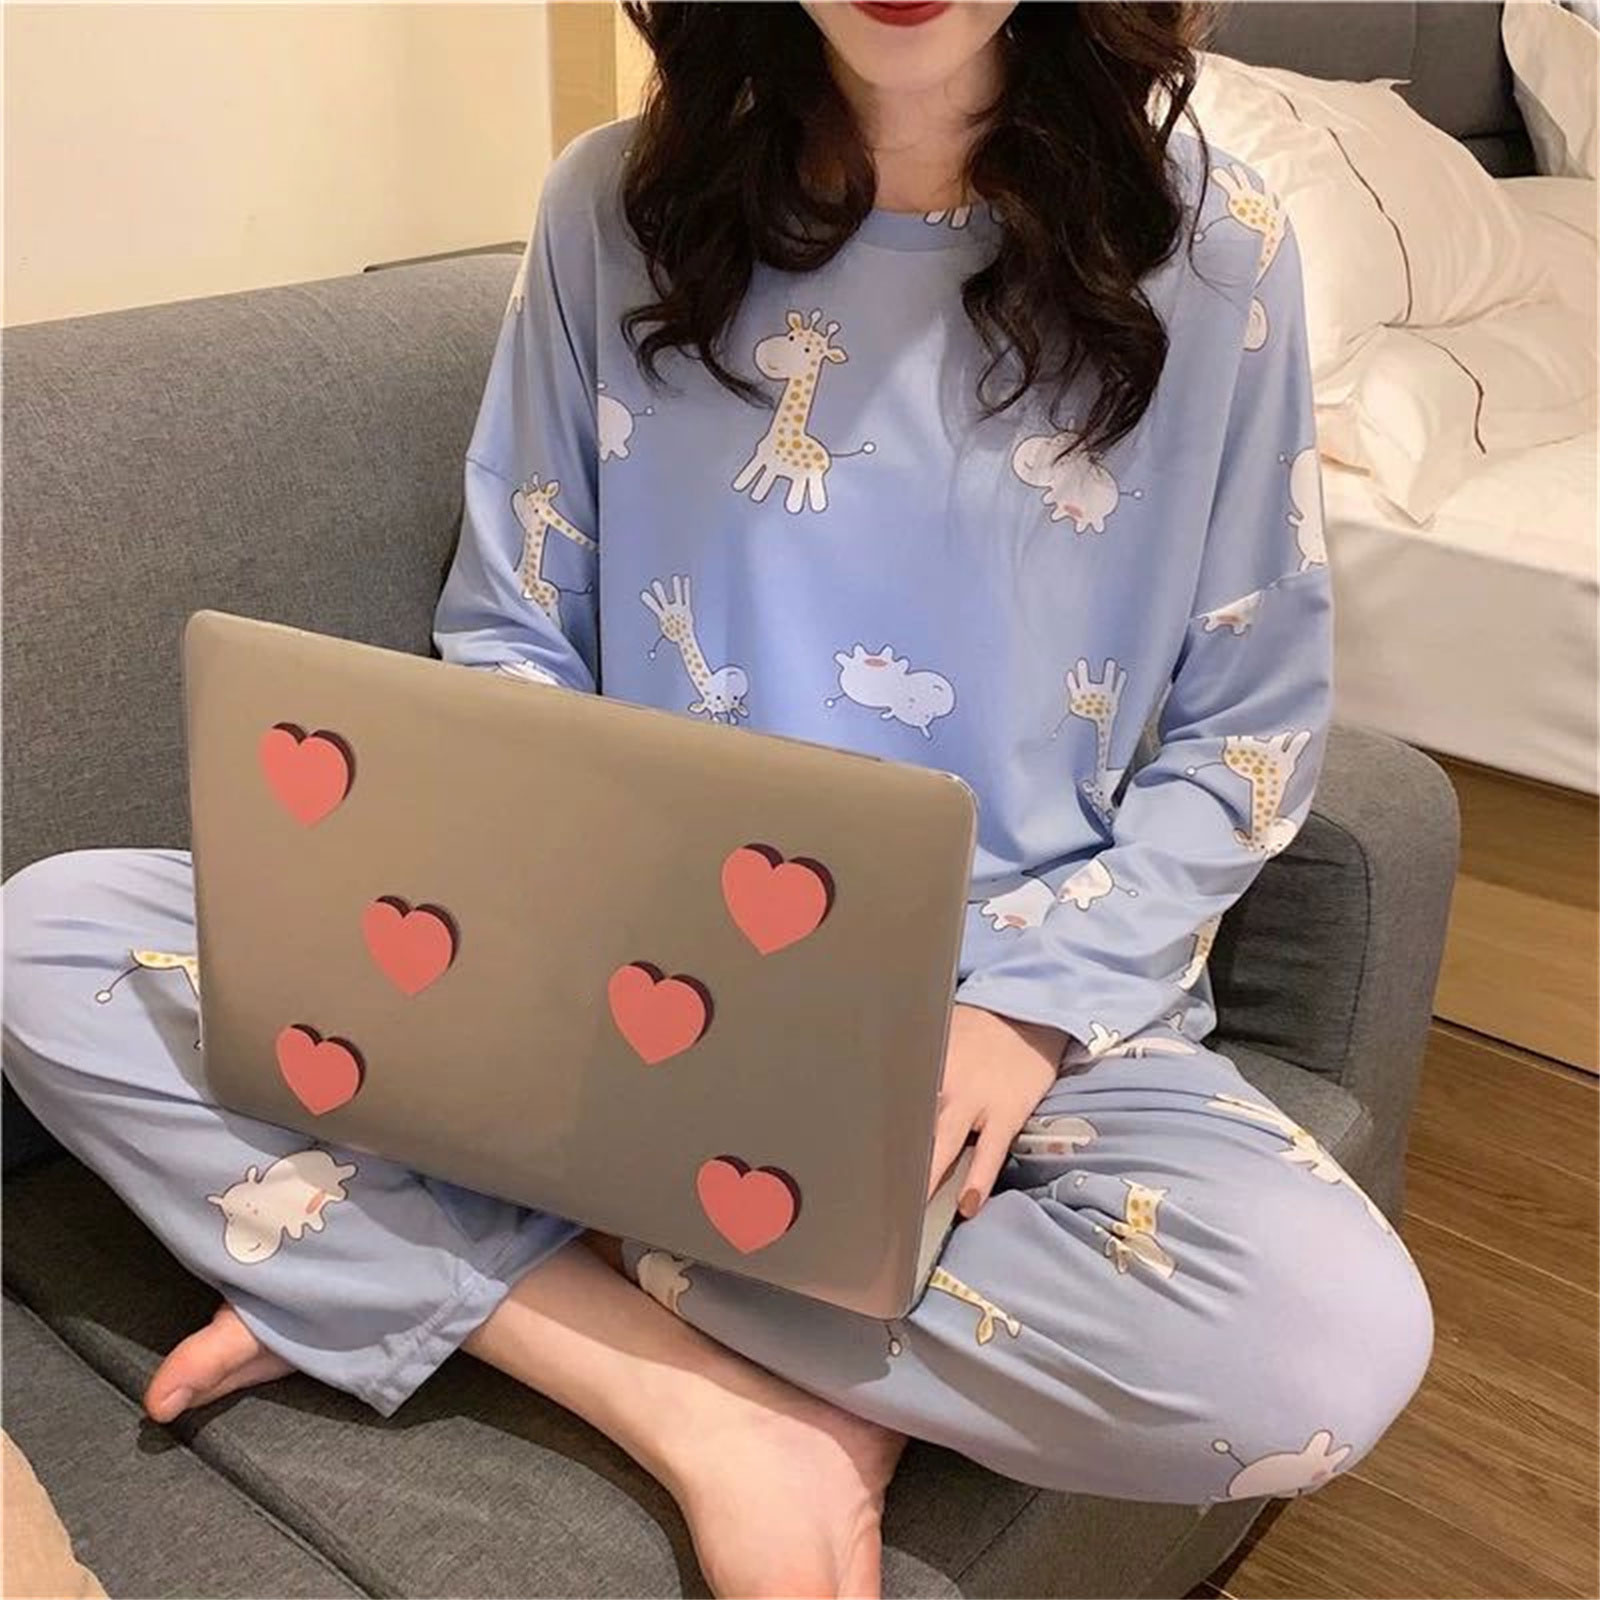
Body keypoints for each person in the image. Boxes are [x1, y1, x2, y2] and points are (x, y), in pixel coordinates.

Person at [2, 4, 1432, 1595]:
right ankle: (704, 1408)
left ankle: (470, 1249)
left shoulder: (1215, 249)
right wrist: (532, 963)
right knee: (48, 938)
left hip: (1016, 1021)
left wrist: (1025, 1010)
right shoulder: (613, 210)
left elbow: (1246, 734)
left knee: (1321, 1350)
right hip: (611, 978)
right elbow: (514, 632)